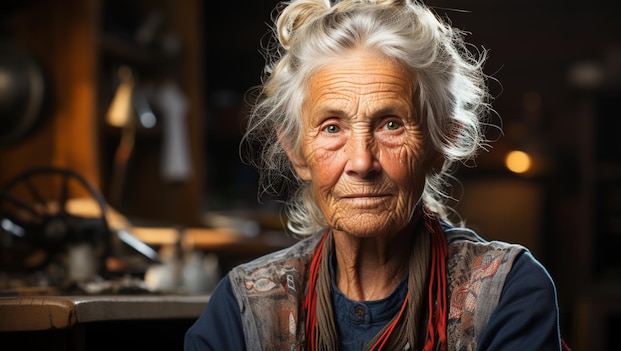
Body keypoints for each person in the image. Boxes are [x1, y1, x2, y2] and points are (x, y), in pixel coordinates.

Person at [185, 0, 566, 350]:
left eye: (391, 124)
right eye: (332, 128)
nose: (362, 163)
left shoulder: (507, 293)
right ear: (297, 152)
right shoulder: (242, 309)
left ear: (438, 146)